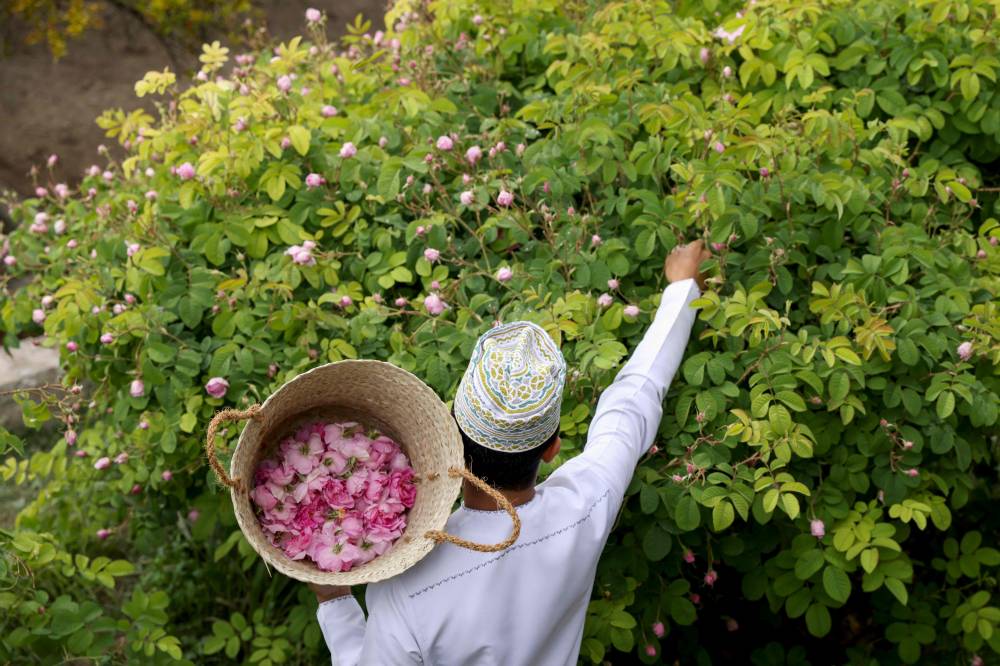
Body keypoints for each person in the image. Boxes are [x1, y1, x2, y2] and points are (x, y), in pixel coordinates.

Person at [310, 241, 711, 665]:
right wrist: (682, 291)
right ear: (552, 448)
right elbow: (633, 400)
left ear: (451, 434)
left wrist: (335, 602)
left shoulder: (405, 587)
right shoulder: (585, 506)